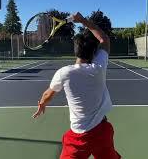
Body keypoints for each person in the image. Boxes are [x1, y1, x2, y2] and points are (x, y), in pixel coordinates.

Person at [33, 12, 121, 159]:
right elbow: (104, 39)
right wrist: (82, 20)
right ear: (94, 52)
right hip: (102, 132)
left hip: (77, 139)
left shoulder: (63, 73)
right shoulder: (99, 67)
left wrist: (42, 103)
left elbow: (48, 94)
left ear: (75, 51)